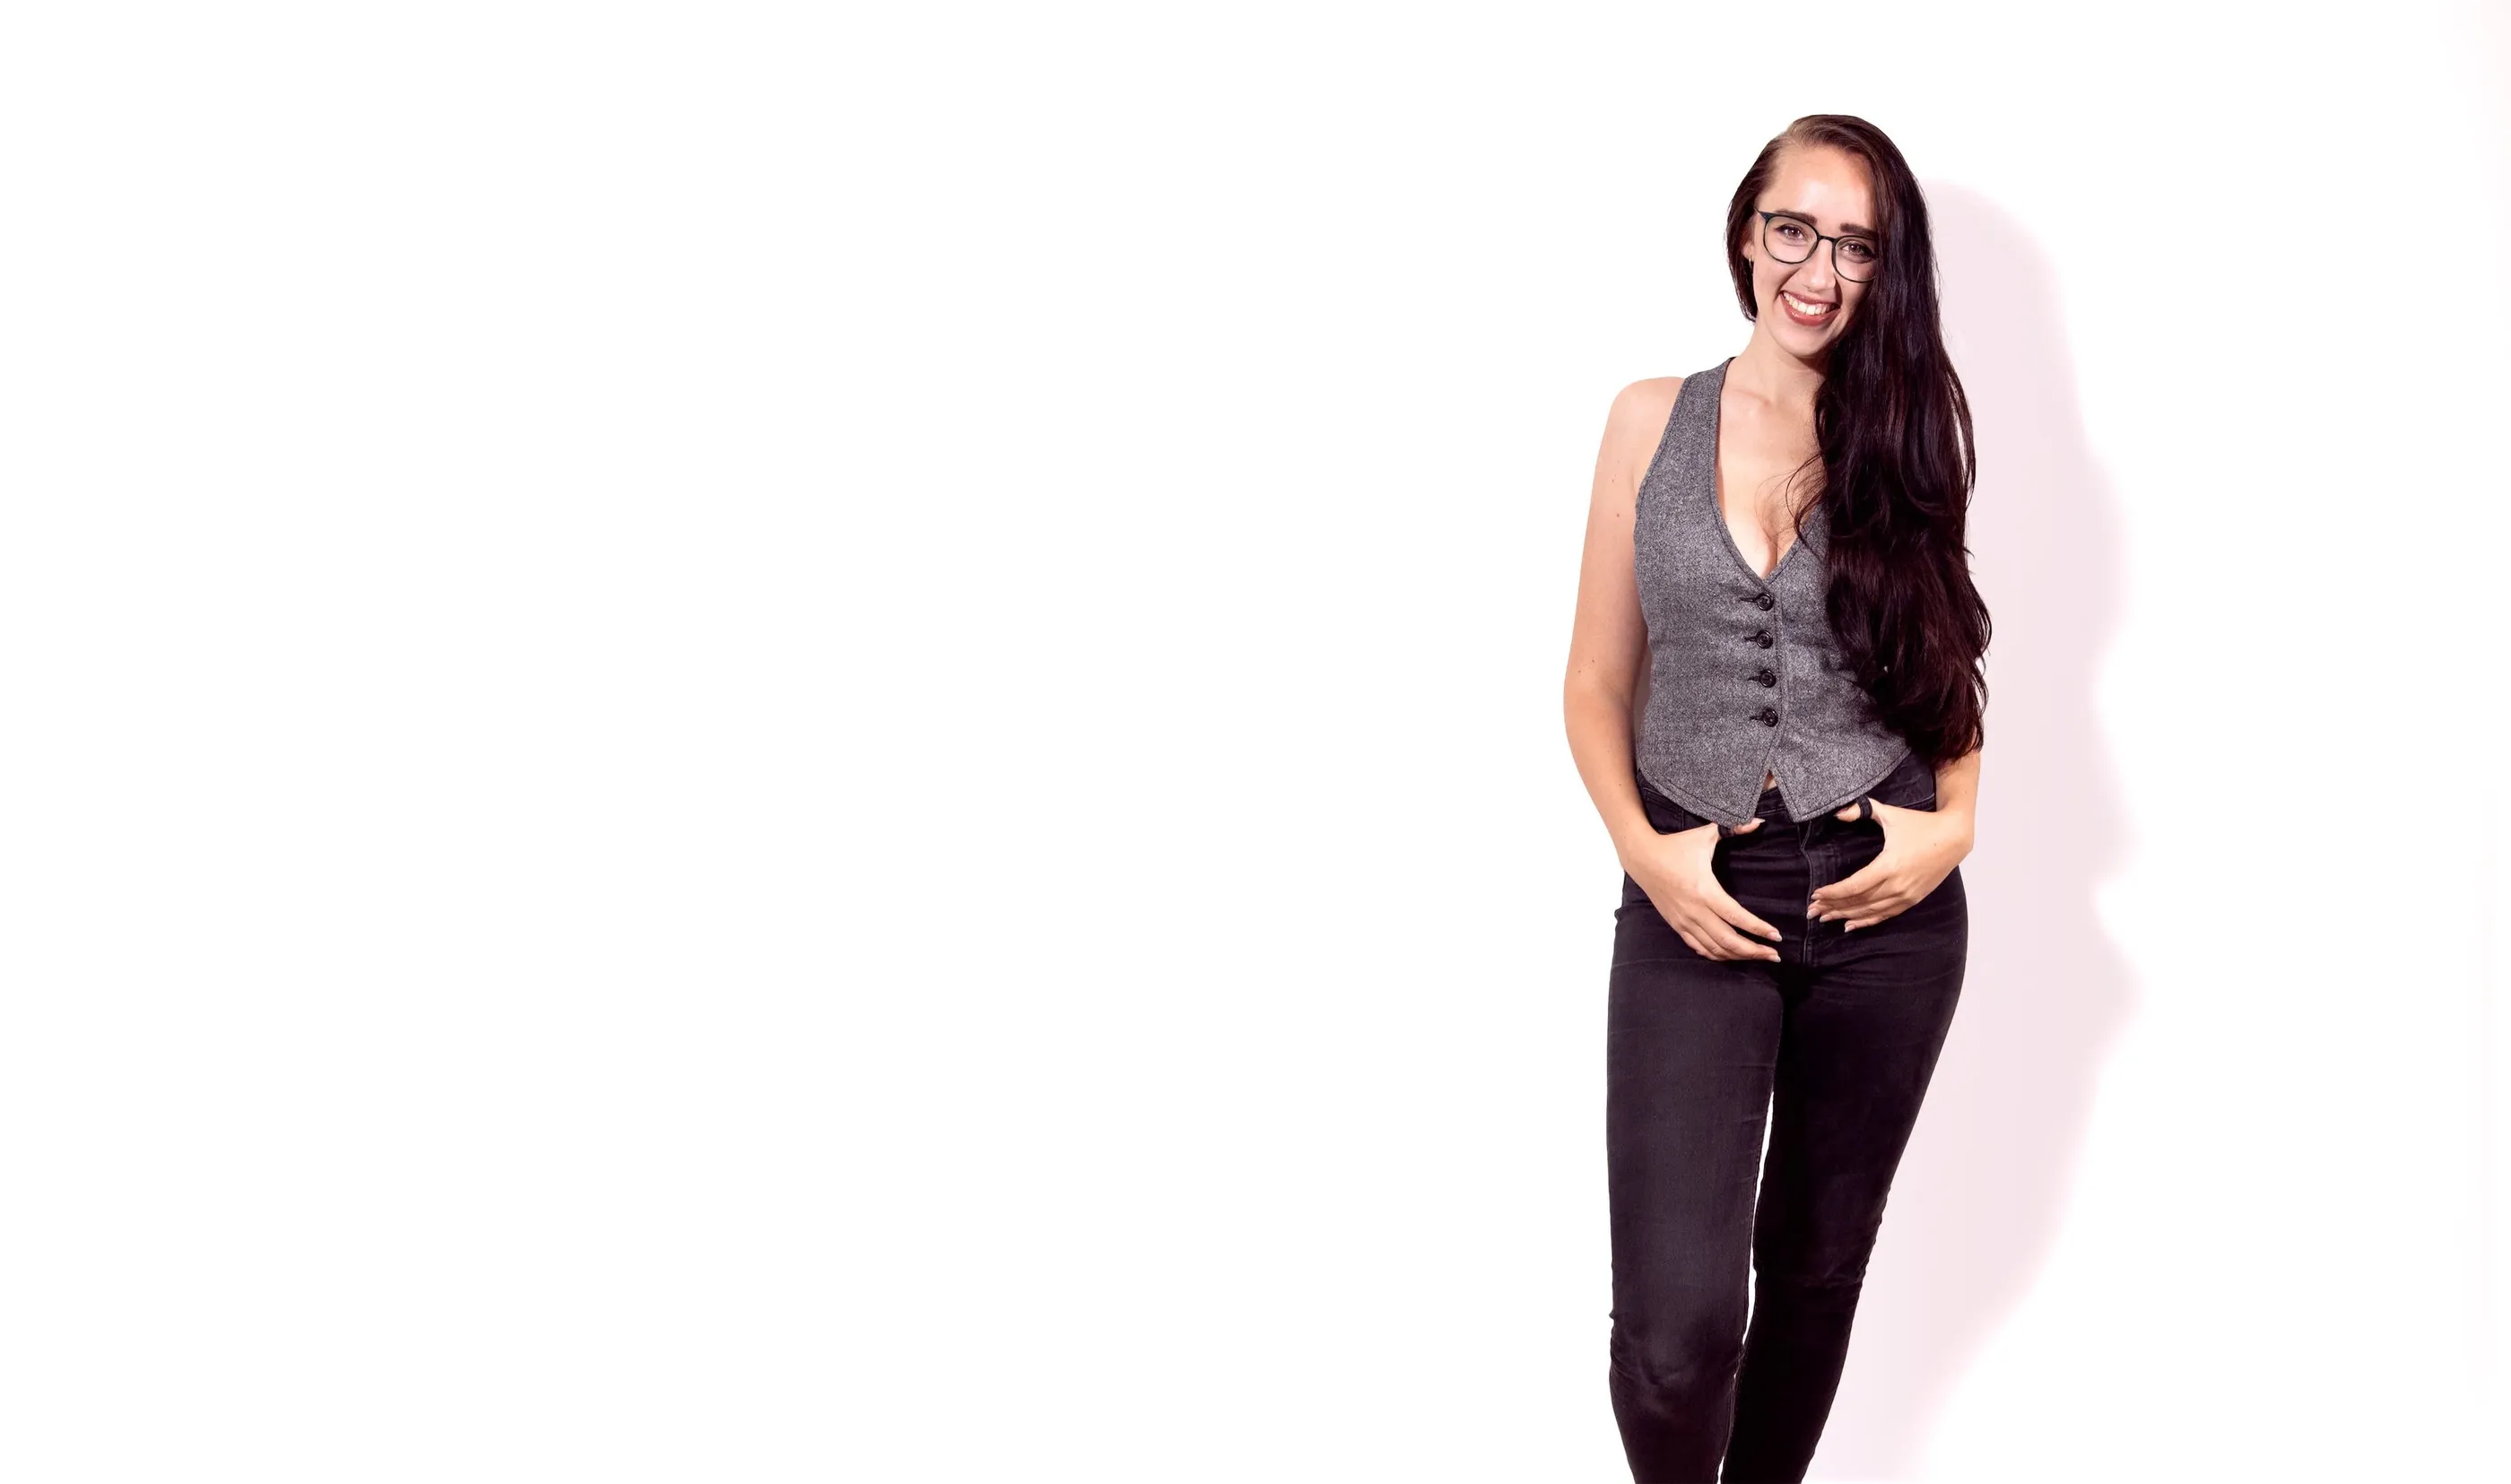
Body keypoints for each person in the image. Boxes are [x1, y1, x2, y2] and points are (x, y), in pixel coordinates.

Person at [1560, 114, 1992, 1483]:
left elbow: (1949, 659)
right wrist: (1648, 855)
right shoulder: (1649, 419)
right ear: (1747, 231)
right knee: (1675, 1336)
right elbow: (1593, 682)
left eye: (1856, 246)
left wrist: (1955, 821)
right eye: (1794, 230)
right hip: (1695, 887)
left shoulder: (1904, 432)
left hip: (1884, 903)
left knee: (1812, 1270)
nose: (1819, 270)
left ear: (1883, 269)